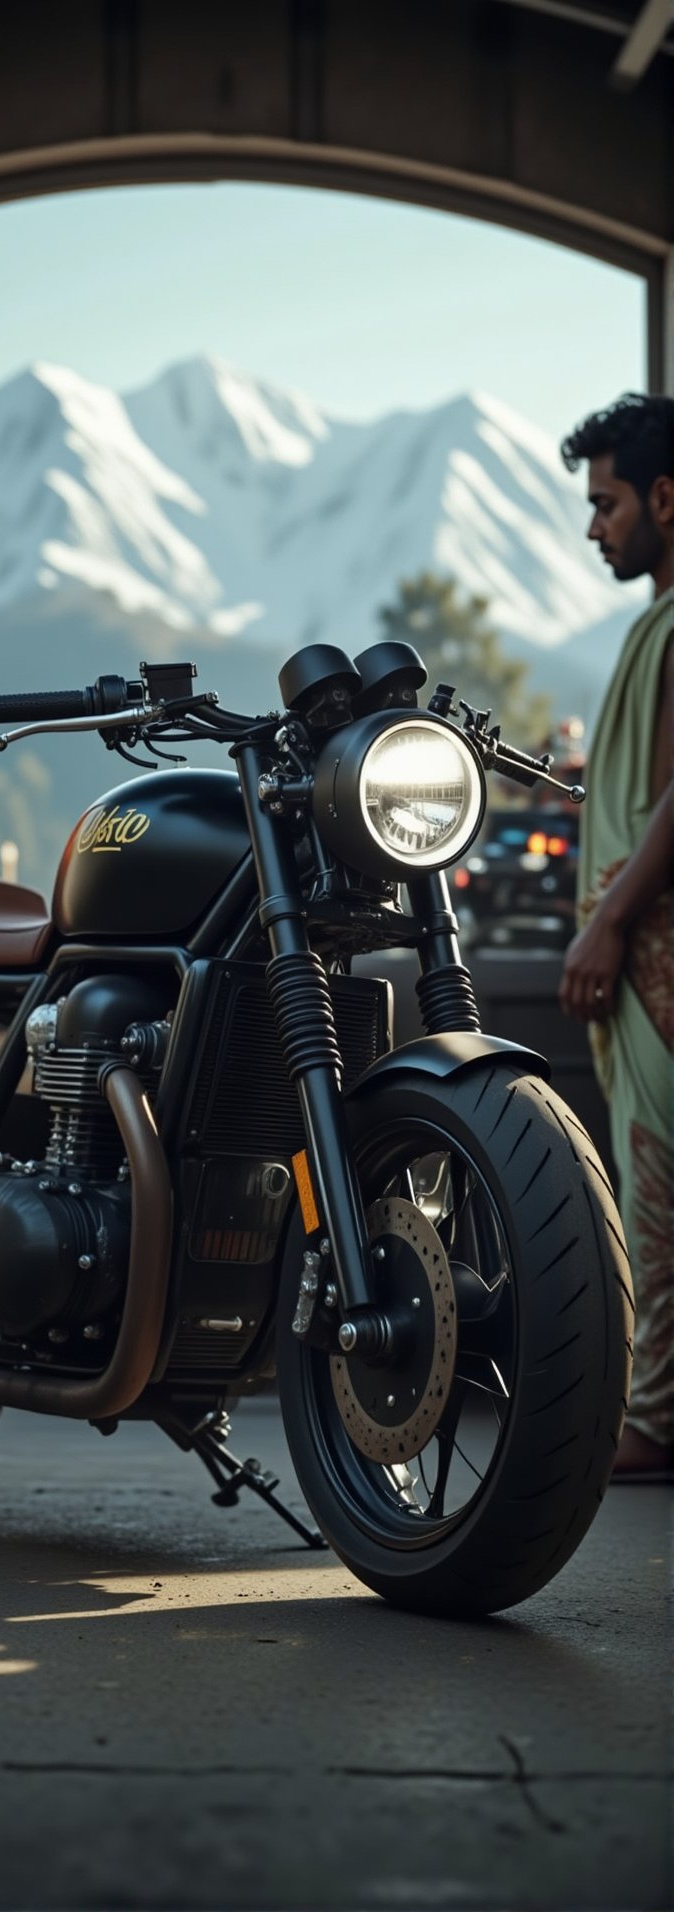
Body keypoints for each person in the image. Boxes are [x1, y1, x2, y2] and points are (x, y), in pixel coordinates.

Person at [558, 394, 673, 1481]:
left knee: (656, 1181)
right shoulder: (655, 622)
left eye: (605, 504)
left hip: (654, 952)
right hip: (640, 949)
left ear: (664, 498)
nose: (594, 528)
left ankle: (652, 1419)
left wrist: (604, 921)